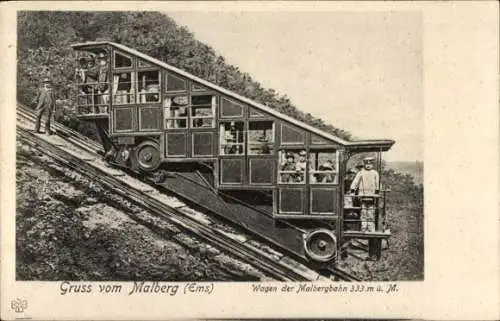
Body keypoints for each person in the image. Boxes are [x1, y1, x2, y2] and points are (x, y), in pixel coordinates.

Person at [350, 157, 380, 232]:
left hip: (371, 196)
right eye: (367, 164)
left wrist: (377, 191)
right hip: (362, 195)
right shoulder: (360, 173)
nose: (368, 165)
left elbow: (377, 184)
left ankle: (370, 228)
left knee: (370, 211)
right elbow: (355, 182)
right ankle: (363, 228)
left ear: (372, 165)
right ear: (364, 164)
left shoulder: (375, 173)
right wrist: (353, 190)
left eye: (370, 164)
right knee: (363, 212)